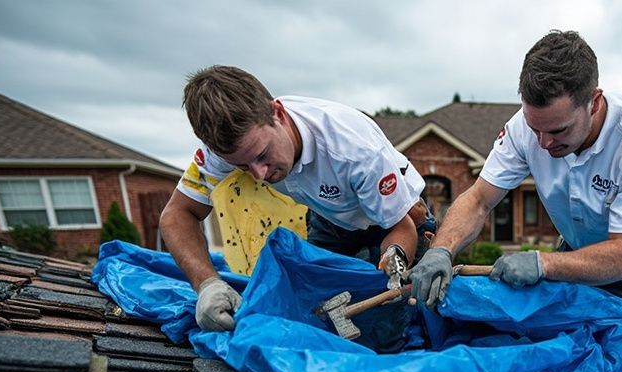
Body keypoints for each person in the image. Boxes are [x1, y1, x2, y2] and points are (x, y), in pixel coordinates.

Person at [159, 65, 434, 350]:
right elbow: (177, 214)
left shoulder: (354, 150)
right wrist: (207, 285)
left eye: (263, 155)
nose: (259, 174)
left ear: (277, 113)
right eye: (242, 166)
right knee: (313, 309)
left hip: (397, 219)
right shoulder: (227, 147)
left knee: (382, 329)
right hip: (331, 214)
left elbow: (401, 226)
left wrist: (395, 261)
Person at [410, 30, 622, 311]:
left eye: (559, 130)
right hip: (575, 250)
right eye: (534, 127)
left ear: (594, 103)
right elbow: (478, 200)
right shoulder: (521, 129)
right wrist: (441, 250)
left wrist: (544, 262)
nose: (544, 143)